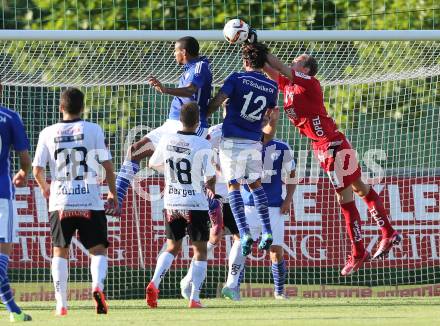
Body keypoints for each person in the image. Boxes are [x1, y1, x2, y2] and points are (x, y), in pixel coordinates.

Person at [250, 31, 401, 275]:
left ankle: (359, 251)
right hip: (327, 145)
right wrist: (253, 50)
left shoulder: (309, 83)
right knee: (360, 189)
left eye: (297, 61)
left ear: (306, 69)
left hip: (331, 146)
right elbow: (269, 68)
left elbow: (277, 65)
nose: (292, 63)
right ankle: (388, 233)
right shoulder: (288, 85)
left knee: (346, 200)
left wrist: (256, 41)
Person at [180, 106, 280, 301]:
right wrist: (215, 171)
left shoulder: (244, 130)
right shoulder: (215, 132)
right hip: (213, 194)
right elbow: (200, 154)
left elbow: (265, 138)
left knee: (241, 237)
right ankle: (189, 279)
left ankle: (231, 285)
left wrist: (272, 120)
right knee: (214, 238)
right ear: (225, 112)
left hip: (234, 196)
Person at [32, 88, 117, 315]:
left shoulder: (47, 132)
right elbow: (108, 166)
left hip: (61, 200)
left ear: (61, 108)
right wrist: (112, 194)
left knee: (60, 250)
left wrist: (45, 187)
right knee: (98, 249)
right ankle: (97, 287)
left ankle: (61, 303)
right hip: (89, 199)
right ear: (82, 108)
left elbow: (37, 169)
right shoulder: (93, 129)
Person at [115, 36, 213, 212]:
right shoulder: (190, 68)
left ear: (183, 52)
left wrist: (165, 89)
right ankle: (116, 200)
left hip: (190, 127)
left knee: (189, 169)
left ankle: (212, 206)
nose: (174, 54)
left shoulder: (200, 67)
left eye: (175, 50)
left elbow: (191, 90)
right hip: (172, 124)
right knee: (135, 150)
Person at [207, 42, 278, 257]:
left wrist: (206, 113)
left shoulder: (236, 78)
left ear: (245, 61)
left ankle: (245, 233)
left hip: (232, 140)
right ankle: (266, 231)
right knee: (255, 185)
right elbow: (267, 114)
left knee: (233, 186)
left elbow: (219, 99)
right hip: (254, 140)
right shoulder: (272, 86)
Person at [146, 102, 215, 309]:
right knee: (200, 250)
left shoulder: (167, 139)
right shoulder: (203, 144)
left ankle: (155, 282)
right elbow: (210, 176)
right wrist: (210, 187)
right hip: (194, 202)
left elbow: (152, 164)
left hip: (172, 202)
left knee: (172, 247)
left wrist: (168, 174)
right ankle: (194, 298)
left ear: (180, 120)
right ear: (197, 122)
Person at [241, 135, 296, 299]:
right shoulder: (242, 144)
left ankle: (279, 292)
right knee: (240, 250)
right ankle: (234, 286)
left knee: (276, 251)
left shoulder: (282, 147)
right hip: (249, 207)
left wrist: (287, 200)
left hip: (274, 208)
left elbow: (292, 175)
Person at [0, 81, 32, 322]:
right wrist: (23, 173)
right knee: (2, 258)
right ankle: (14, 310)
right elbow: (24, 159)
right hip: (2, 195)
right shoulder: (10, 117)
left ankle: (13, 311)